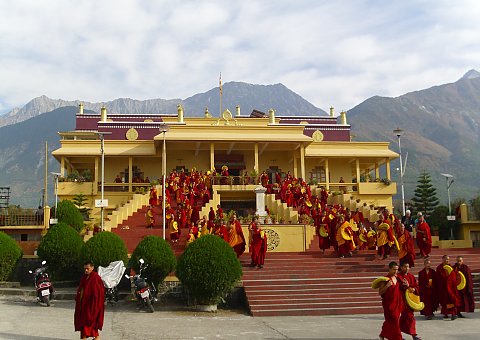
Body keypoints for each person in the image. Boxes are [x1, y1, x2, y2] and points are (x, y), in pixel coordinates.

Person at [74, 261, 105, 340]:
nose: (86, 270)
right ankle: (95, 338)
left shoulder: (96, 277)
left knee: (89, 322)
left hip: (92, 305)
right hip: (84, 304)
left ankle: (94, 338)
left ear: (92, 268)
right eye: (85, 269)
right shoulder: (85, 277)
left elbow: (98, 293)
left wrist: (95, 305)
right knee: (84, 322)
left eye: (87, 268)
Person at [377, 261, 403, 340]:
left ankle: (383, 334)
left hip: (397, 303)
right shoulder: (385, 279)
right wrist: (387, 286)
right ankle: (397, 338)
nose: (395, 271)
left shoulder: (398, 278)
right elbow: (380, 292)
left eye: (397, 269)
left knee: (391, 321)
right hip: (388, 304)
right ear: (389, 269)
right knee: (394, 320)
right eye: (394, 269)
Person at [397, 261, 422, 340]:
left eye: (408, 267)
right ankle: (412, 335)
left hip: (410, 300)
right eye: (405, 267)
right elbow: (400, 287)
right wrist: (407, 287)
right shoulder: (398, 276)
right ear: (401, 267)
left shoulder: (411, 276)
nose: (407, 269)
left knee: (409, 317)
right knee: (406, 317)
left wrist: (412, 288)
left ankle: (412, 334)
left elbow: (417, 287)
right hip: (402, 300)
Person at [436, 255, 460, 320]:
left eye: (448, 259)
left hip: (451, 288)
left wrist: (449, 280)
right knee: (444, 301)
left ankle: (453, 314)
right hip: (443, 288)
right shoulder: (439, 268)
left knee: (452, 300)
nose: (447, 261)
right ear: (442, 259)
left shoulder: (451, 267)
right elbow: (438, 278)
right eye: (446, 259)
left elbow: (453, 277)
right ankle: (446, 314)